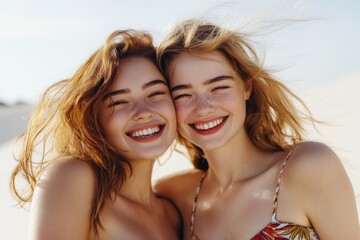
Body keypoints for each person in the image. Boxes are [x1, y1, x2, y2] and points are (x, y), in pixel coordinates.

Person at [155, 19, 360, 240]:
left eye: (219, 87)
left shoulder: (309, 167)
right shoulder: (177, 196)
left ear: (247, 87)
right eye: (183, 95)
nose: (203, 108)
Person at [10, 30, 181, 240]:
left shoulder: (173, 214)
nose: (144, 112)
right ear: (94, 117)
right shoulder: (73, 177)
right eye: (119, 102)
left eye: (155, 93)